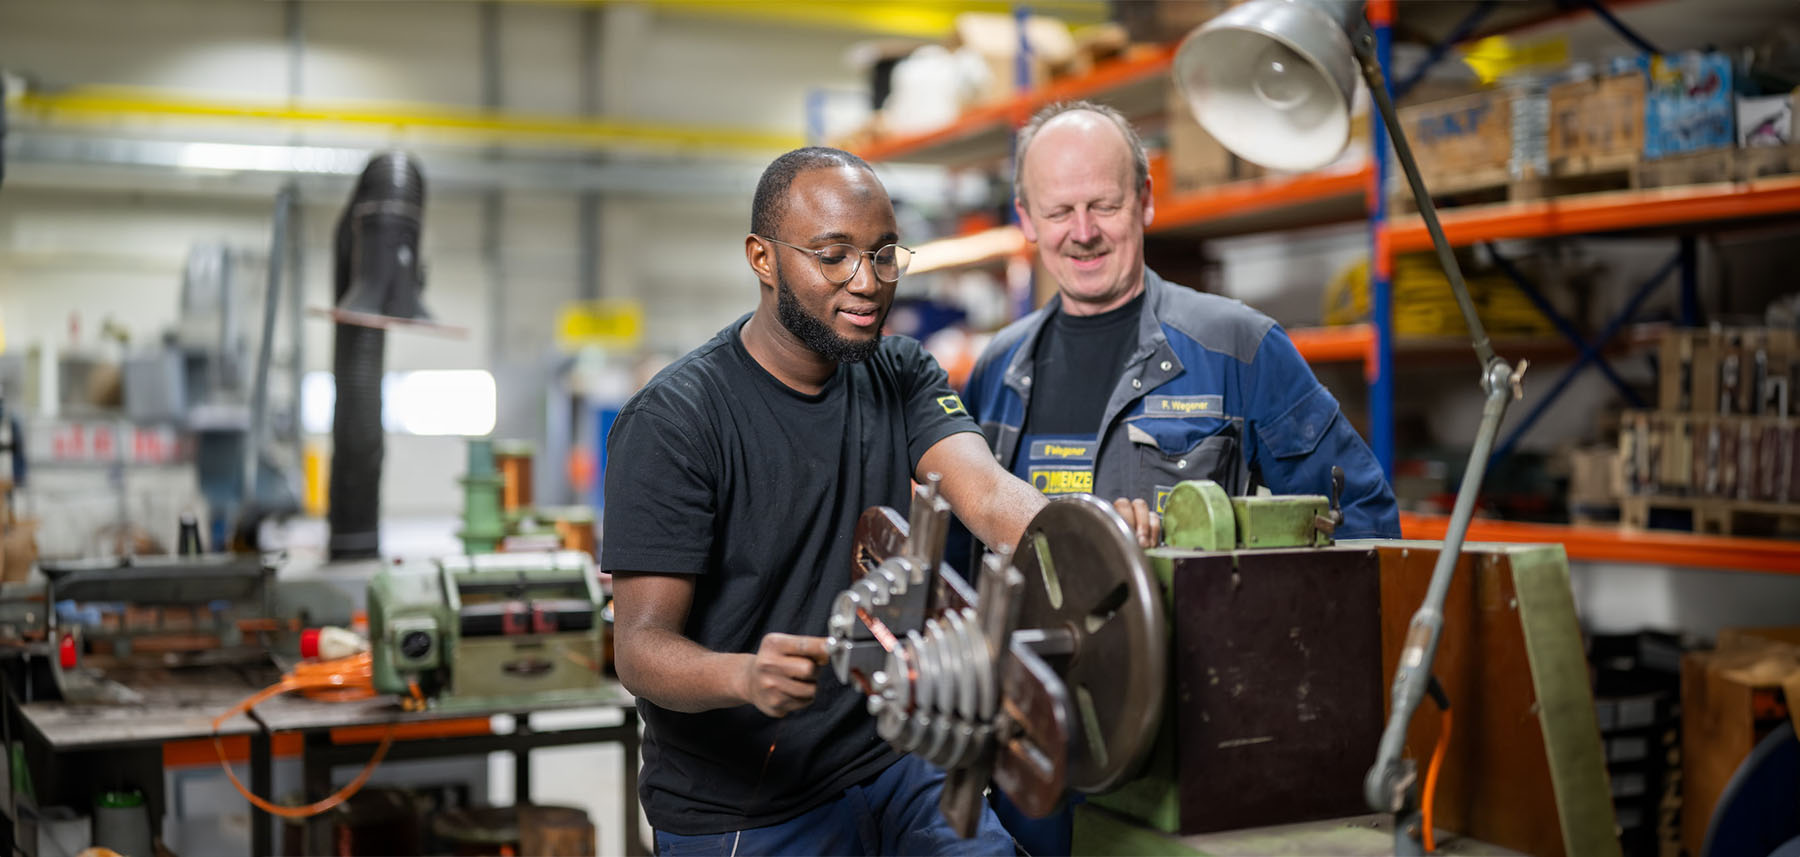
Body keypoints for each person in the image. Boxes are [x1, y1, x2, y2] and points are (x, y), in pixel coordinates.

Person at [962, 101, 1402, 854]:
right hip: (1032, 738)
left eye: (1103, 204)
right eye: (1059, 209)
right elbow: (965, 560)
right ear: (1027, 220)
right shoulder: (1001, 368)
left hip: (1189, 740)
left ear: (1145, 200)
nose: (1083, 231)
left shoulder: (1238, 347)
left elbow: (1364, 527)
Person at [602, 147, 1050, 856]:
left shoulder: (898, 370)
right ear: (762, 257)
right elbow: (640, 649)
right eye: (834, 255)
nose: (868, 282)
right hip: (745, 802)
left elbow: (990, 494)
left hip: (893, 756)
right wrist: (745, 674)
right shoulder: (676, 420)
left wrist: (1093, 539)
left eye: (884, 254)